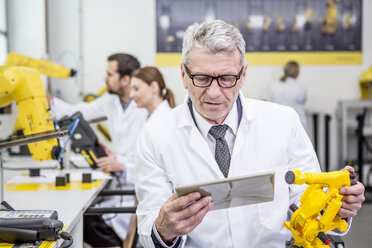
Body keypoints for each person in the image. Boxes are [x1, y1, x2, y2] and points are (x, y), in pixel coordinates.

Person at [134, 20, 365, 248]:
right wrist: (163, 230)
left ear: (243, 75)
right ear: (184, 75)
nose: (214, 93)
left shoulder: (283, 122)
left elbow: (307, 200)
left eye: (226, 78)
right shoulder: (155, 135)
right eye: (202, 78)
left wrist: (337, 208)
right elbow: (148, 226)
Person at [49, 53, 148, 247]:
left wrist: (120, 164)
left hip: (134, 188)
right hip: (119, 182)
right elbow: (78, 112)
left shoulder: (145, 109)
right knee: (80, 215)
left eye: (110, 74)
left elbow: (152, 161)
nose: (105, 79)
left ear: (125, 79)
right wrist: (44, 98)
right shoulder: (111, 102)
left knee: (80, 220)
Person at [268, 61, 308, 131]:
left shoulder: (274, 86)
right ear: (297, 73)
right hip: (297, 124)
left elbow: (270, 102)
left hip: (279, 123)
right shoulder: (301, 88)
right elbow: (303, 102)